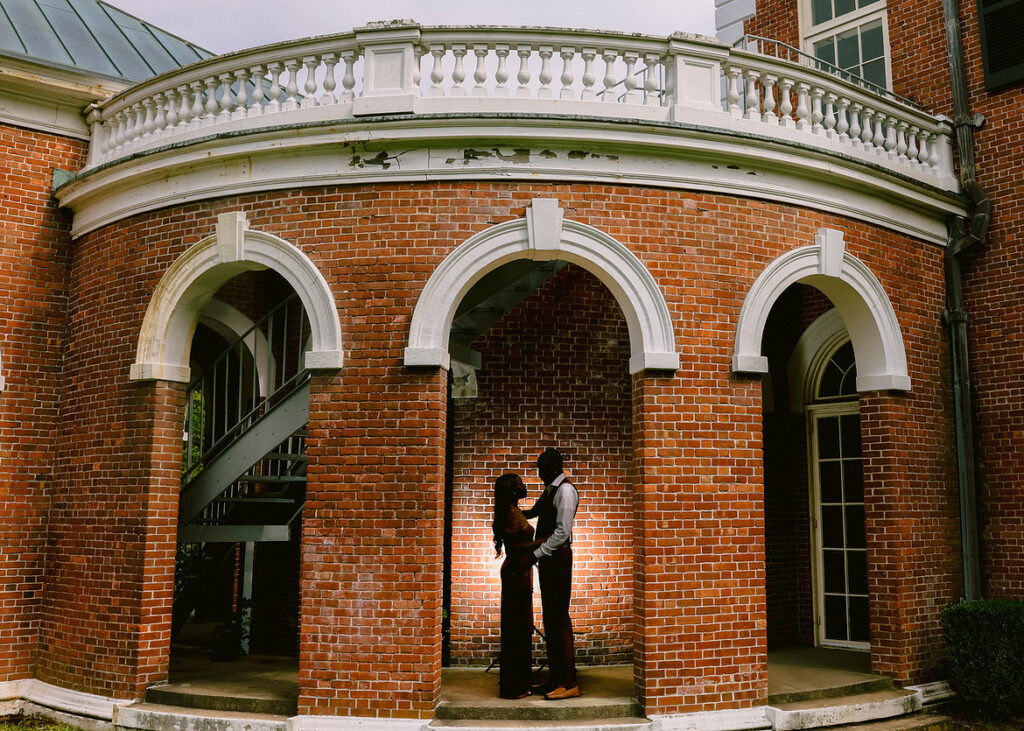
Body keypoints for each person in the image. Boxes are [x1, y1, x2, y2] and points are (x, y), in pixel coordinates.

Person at [522, 447, 580, 700]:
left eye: (541, 467)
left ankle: (569, 684)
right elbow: (535, 512)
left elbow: (562, 533)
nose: (538, 473)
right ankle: (555, 678)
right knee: (551, 620)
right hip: (549, 560)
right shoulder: (550, 490)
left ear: (553, 467)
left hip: (557, 559)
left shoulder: (565, 490)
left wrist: (535, 554)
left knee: (559, 620)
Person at [491, 472, 537, 699]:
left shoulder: (513, 512)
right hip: (516, 572)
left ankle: (519, 682)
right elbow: (521, 546)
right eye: (520, 484)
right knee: (517, 629)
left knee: (518, 627)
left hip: (518, 571)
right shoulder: (512, 514)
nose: (524, 486)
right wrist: (550, 538)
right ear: (512, 490)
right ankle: (515, 687)